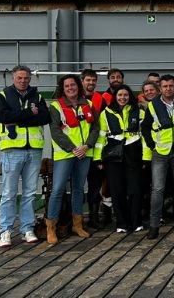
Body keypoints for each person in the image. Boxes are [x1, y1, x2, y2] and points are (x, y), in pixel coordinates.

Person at [0, 65, 50, 247]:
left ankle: (27, 228)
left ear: (30, 79)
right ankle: (5, 231)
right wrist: (28, 113)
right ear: (13, 78)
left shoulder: (38, 96)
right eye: (19, 78)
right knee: (9, 193)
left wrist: (16, 118)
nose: (23, 81)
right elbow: (3, 116)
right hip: (12, 149)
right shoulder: (3, 96)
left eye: (26, 78)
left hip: (33, 150)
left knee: (29, 193)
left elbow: (44, 118)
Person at [46, 74, 99, 245]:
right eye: (67, 86)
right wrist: (72, 148)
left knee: (78, 189)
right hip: (65, 154)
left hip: (85, 153)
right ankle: (51, 227)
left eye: (73, 85)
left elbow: (96, 127)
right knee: (58, 189)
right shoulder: (55, 107)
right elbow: (55, 131)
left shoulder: (88, 104)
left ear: (78, 86)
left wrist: (87, 145)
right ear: (63, 88)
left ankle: (77, 224)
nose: (70, 88)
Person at [141, 74, 174, 239]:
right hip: (161, 153)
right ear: (160, 88)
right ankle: (154, 226)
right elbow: (145, 128)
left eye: (171, 86)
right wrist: (152, 145)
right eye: (165, 86)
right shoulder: (153, 106)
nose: (168, 89)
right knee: (157, 190)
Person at [94, 84, 143, 233]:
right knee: (117, 190)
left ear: (130, 96)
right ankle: (121, 223)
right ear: (115, 97)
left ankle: (136, 222)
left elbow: (145, 136)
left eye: (126, 95)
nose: (123, 98)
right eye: (120, 95)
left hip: (133, 153)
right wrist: (97, 158)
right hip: (113, 155)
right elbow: (101, 136)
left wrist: (146, 157)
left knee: (135, 190)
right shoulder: (105, 113)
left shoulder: (139, 111)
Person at [81, 68, 111, 230]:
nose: (91, 83)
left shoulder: (101, 99)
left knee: (95, 184)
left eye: (93, 80)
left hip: (96, 149)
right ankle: (76, 218)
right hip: (77, 149)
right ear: (82, 81)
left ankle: (93, 217)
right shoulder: (72, 98)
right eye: (88, 80)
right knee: (78, 186)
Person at [137, 80, 158, 225]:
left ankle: (158, 214)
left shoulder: (163, 106)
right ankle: (146, 214)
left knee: (159, 186)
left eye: (152, 90)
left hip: (160, 151)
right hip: (143, 154)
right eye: (146, 90)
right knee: (144, 186)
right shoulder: (137, 109)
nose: (149, 92)